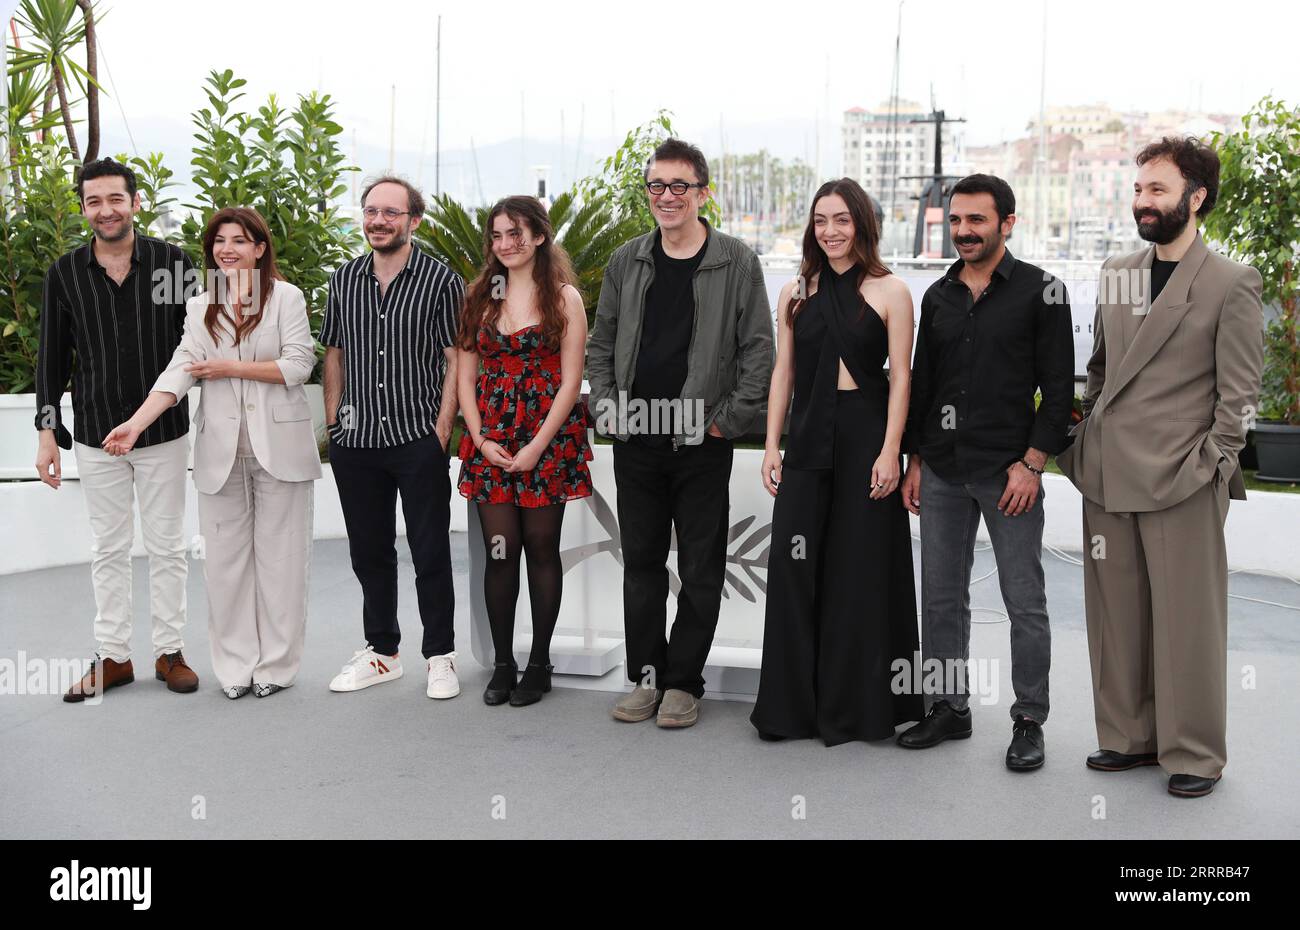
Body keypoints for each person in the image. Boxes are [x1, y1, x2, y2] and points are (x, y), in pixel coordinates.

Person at [1056, 137, 1263, 798]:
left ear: (1195, 198)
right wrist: (1084, 433)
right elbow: (1099, 370)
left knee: (1187, 625)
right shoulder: (1117, 269)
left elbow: (1240, 399)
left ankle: (1194, 754)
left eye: (1157, 190)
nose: (1142, 201)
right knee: (1115, 617)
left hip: (1183, 478)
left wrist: (1210, 464)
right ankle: (1127, 737)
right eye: (1139, 189)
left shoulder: (1232, 282)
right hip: (1108, 475)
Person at [587, 137, 774, 728]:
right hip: (636, 440)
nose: (666, 197)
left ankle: (683, 683)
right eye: (657, 186)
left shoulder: (737, 262)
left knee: (700, 568)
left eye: (679, 186)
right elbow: (599, 346)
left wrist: (725, 423)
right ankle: (645, 677)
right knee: (640, 564)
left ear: (702, 192)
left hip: (701, 442)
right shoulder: (626, 261)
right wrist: (608, 411)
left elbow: (759, 355)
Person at [103, 207, 321, 699]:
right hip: (220, 453)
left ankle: (276, 668)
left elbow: (298, 365)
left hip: (280, 448)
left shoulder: (286, 297)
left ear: (260, 248)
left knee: (282, 561)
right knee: (224, 565)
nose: (227, 249)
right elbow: (181, 370)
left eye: (239, 240)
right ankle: (235, 668)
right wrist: (136, 425)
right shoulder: (200, 304)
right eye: (219, 241)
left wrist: (227, 367)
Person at [897, 174, 1074, 771]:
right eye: (956, 221)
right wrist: (916, 459)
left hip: (1009, 474)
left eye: (977, 221)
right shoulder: (938, 296)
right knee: (941, 599)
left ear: (1007, 223)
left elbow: (1058, 392)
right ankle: (949, 708)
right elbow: (924, 384)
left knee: (1025, 599)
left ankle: (1029, 720)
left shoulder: (1043, 292)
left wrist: (1033, 464)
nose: (964, 232)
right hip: (942, 469)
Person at [749, 178, 922, 745]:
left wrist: (892, 449)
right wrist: (772, 445)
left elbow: (902, 378)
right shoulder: (795, 290)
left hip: (866, 435)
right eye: (821, 220)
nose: (830, 231)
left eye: (842, 220)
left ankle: (860, 707)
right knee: (797, 571)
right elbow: (785, 373)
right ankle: (793, 707)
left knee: (861, 571)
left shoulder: (892, 290)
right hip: (806, 437)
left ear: (863, 224)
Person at [35, 157, 200, 702]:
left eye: (115, 199)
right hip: (95, 432)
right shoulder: (65, 274)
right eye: (94, 202)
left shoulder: (170, 264)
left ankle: (170, 652)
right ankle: (114, 658)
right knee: (107, 547)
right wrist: (46, 434)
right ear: (83, 209)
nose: (106, 210)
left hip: (164, 433)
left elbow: (196, 345)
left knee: (168, 546)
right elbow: (51, 361)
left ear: (135, 202)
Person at [321, 175, 466, 700]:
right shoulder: (344, 279)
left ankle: (440, 656)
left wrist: (442, 428)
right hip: (355, 443)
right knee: (369, 552)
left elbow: (455, 358)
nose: (379, 220)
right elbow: (332, 351)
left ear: (414, 221)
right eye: (371, 211)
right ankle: (383, 652)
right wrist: (334, 418)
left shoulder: (442, 281)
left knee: (430, 551)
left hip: (416, 438)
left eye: (391, 212)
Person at [455, 197, 592, 707]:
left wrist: (537, 446)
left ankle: (539, 662)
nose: (505, 244)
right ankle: (503, 664)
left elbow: (572, 381)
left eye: (515, 233)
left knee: (540, 548)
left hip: (548, 440)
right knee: (500, 551)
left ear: (539, 236)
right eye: (496, 236)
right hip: (490, 439)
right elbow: (465, 379)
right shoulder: (481, 297)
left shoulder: (564, 299)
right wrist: (482, 439)